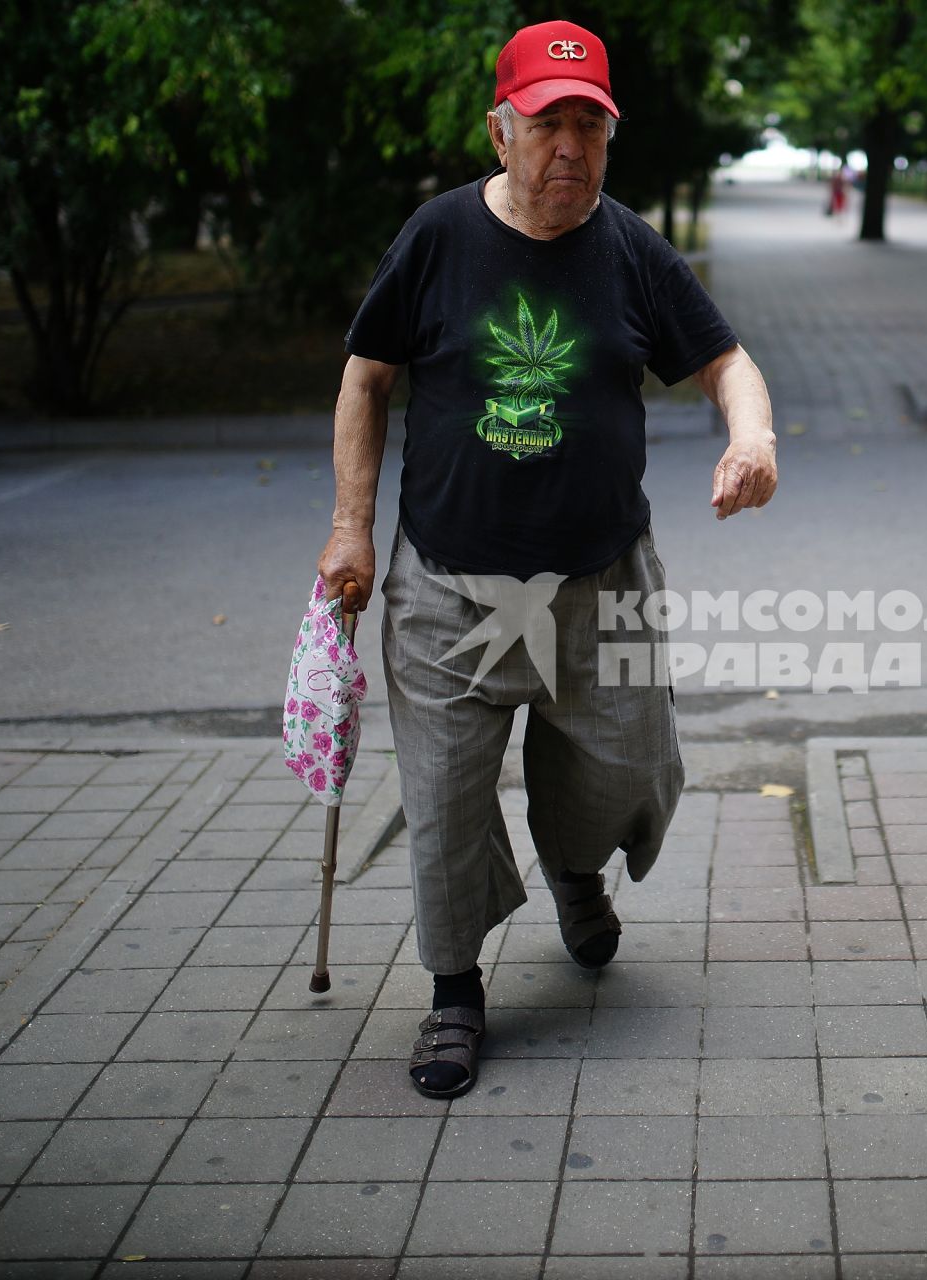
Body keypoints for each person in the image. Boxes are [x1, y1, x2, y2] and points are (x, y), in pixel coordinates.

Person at [316, 18, 778, 1101]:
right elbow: (365, 376)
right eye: (547, 122)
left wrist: (751, 436)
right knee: (443, 795)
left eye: (589, 123)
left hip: (599, 580)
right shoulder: (436, 237)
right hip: (446, 585)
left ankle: (575, 870)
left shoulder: (628, 245)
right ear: (501, 128)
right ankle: (454, 992)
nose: (569, 145)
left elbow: (726, 362)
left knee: (621, 766)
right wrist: (350, 525)